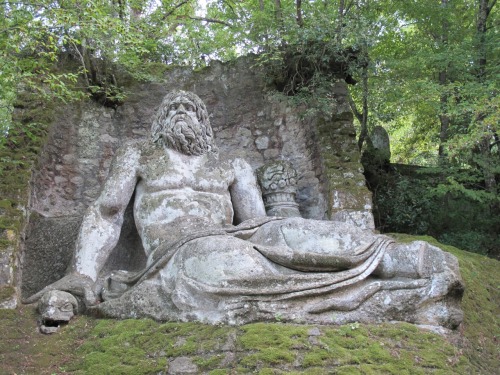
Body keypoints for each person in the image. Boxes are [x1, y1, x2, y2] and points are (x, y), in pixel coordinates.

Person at [26, 91, 464, 328]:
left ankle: (409, 260)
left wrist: (278, 236)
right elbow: (106, 213)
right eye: (172, 108)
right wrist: (82, 275)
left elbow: (258, 222)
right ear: (159, 122)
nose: (182, 111)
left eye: (191, 108)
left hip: (243, 234)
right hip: (181, 250)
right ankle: (401, 300)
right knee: (226, 267)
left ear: (204, 123)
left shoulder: (230, 164)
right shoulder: (139, 155)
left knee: (298, 234)